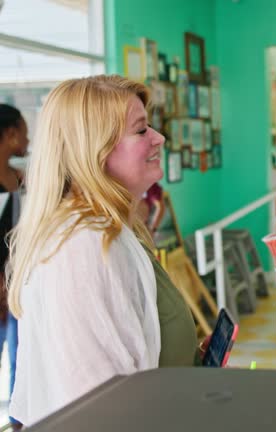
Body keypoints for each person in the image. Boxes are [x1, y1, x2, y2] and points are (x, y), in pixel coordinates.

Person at [5, 76, 198, 426]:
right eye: (141, 131)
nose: (159, 137)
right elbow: (101, 403)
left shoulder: (113, 230)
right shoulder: (83, 245)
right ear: (95, 150)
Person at [0, 104, 29, 432]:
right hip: (1, 290)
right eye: (23, 130)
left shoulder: (20, 180)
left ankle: (18, 422)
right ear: (9, 136)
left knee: (20, 359)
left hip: (18, 286)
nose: (27, 137)